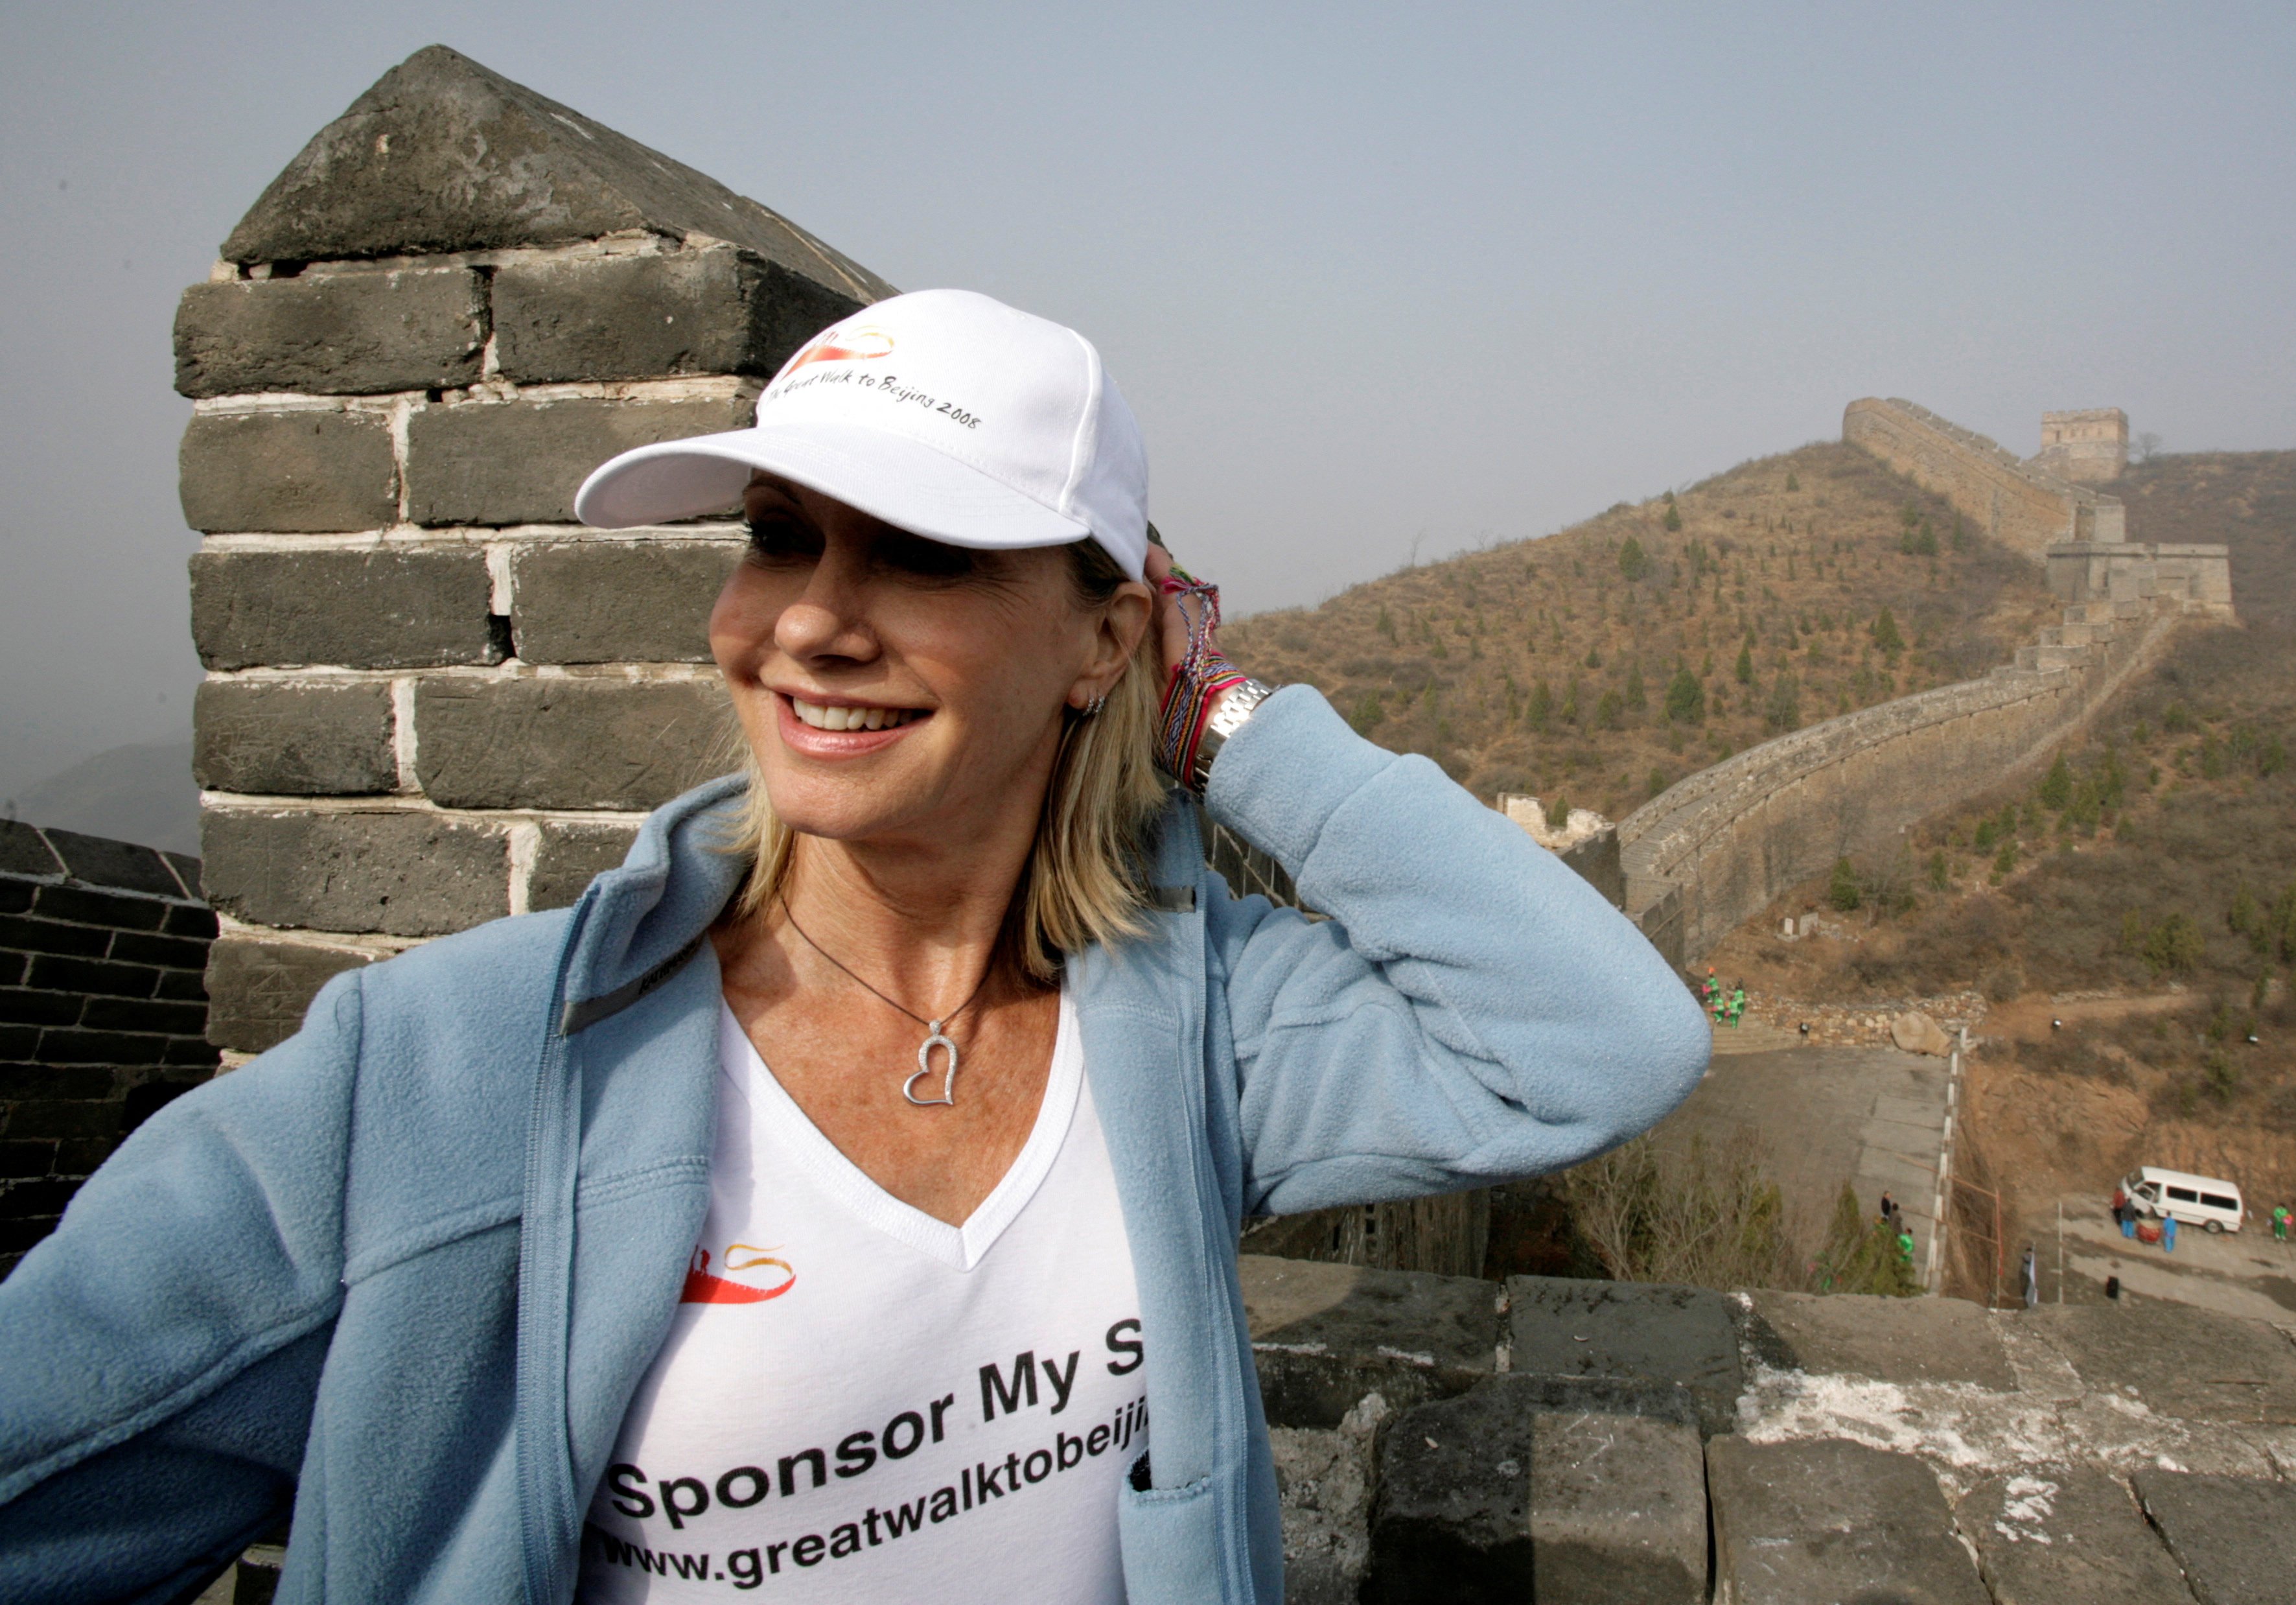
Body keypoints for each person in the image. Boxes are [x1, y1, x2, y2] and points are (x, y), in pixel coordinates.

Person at [0, 290, 1710, 1604]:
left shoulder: (1189, 1023)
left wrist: (1227, 718)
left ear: (1102, 641)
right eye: (778, 537)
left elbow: (1598, 1044)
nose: (812, 617)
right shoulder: (448, 1081)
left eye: (922, 553)